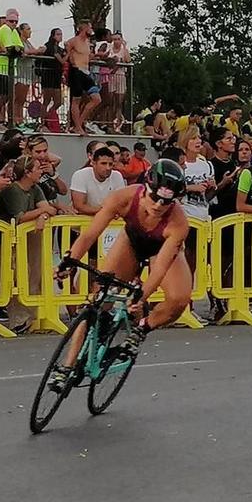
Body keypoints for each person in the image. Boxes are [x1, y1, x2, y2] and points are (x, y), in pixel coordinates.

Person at [51, 159, 194, 387]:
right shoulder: (123, 197)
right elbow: (90, 235)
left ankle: (141, 329)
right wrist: (70, 260)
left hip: (162, 250)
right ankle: (66, 367)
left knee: (179, 299)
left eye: (166, 202)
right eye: (154, 197)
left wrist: (141, 297)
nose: (158, 205)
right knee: (96, 301)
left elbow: (159, 269)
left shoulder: (178, 223)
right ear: (145, 187)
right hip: (132, 242)